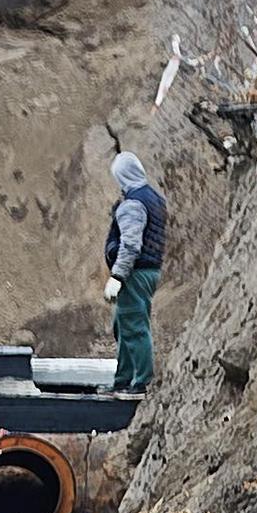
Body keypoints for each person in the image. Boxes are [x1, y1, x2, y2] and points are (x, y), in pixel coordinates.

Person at [102, 149, 170, 394]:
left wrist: (117, 276)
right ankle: (124, 379)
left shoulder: (133, 203)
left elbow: (131, 244)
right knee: (125, 324)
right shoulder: (153, 198)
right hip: (148, 271)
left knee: (134, 326)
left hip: (135, 274)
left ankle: (140, 381)